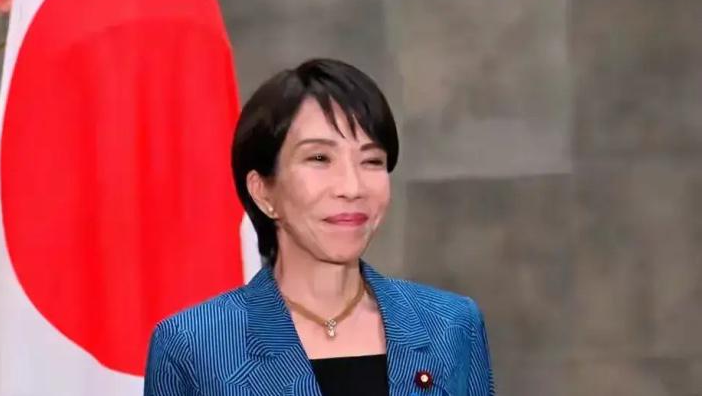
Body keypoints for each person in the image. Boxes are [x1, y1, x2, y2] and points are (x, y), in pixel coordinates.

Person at [144, 58, 495, 396]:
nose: (352, 188)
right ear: (263, 191)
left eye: (371, 160)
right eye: (319, 158)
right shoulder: (193, 346)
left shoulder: (451, 326)